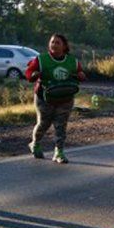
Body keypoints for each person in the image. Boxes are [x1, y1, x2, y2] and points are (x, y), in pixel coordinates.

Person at [25, 34, 86, 163]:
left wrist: (80, 75)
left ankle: (59, 152)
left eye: (57, 43)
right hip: (44, 98)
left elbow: (81, 73)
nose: (54, 45)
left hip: (65, 98)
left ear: (64, 46)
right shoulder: (41, 59)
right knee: (44, 123)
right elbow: (29, 73)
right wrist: (34, 74)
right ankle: (35, 143)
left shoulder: (72, 61)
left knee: (61, 126)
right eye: (52, 42)